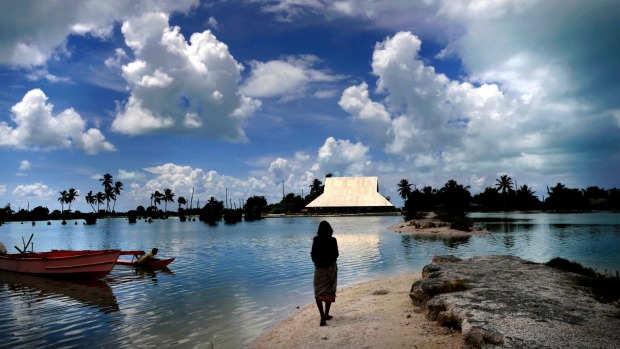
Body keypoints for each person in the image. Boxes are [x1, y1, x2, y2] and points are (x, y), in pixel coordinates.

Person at [310, 221, 339, 326]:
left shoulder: (316, 240)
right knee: (329, 291)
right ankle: (326, 314)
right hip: (330, 268)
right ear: (330, 230)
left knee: (318, 292)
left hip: (319, 269)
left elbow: (313, 254)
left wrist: (317, 262)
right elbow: (336, 254)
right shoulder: (333, 240)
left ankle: (321, 314)